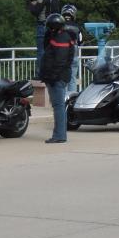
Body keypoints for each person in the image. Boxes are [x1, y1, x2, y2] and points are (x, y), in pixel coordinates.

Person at [40, 13, 74, 143]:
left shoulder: (61, 38)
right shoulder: (59, 36)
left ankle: (59, 135)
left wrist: (52, 76)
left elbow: (60, 61)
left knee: (58, 106)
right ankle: (59, 134)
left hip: (57, 77)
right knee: (58, 106)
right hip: (57, 76)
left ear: (53, 27)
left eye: (49, 27)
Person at [28, 0, 61, 78]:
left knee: (41, 51)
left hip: (43, 26)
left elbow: (36, 11)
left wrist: (31, 5)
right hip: (54, 27)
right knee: (52, 50)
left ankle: (40, 73)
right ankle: (52, 72)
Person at [61, 4, 84, 94]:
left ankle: (61, 98)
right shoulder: (77, 27)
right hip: (74, 53)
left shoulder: (59, 26)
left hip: (62, 53)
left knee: (62, 79)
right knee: (72, 78)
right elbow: (80, 41)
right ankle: (72, 98)